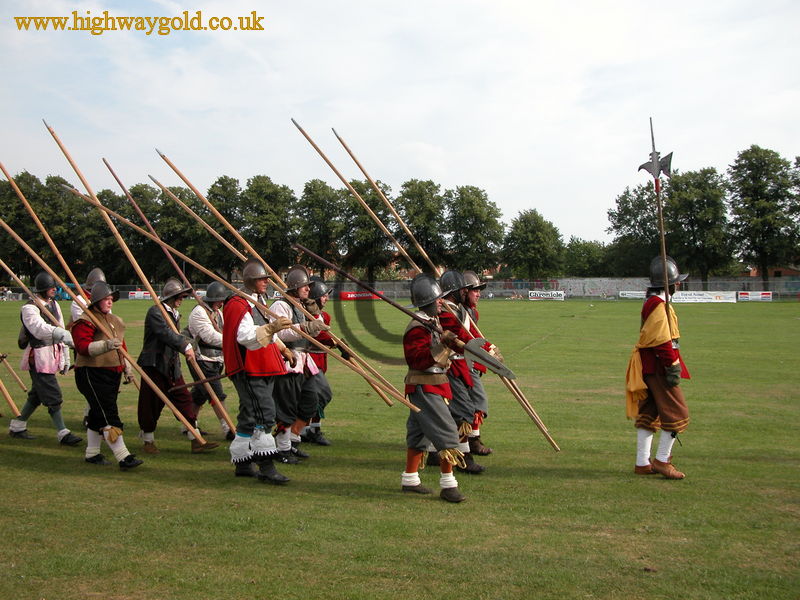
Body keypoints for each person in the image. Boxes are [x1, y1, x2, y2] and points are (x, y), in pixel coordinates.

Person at [223, 258, 295, 483]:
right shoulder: (238, 303)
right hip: (248, 368)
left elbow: (269, 336)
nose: (266, 282)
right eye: (262, 279)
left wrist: (283, 349)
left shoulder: (258, 301)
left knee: (248, 416)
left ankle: (242, 463)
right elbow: (244, 336)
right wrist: (272, 327)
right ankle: (266, 467)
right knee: (264, 413)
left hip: (262, 366)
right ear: (251, 281)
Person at [401, 274, 468, 503]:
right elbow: (417, 360)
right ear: (428, 302)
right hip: (424, 385)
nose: (441, 302)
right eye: (438, 299)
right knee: (448, 431)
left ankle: (410, 479)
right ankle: (448, 485)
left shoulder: (432, 322)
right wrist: (443, 345)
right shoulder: (417, 327)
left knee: (418, 434)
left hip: (433, 384)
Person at [136, 278, 219, 454]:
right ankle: (148, 441)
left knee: (184, 400)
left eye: (182, 296)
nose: (181, 300)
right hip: (155, 366)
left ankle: (196, 439)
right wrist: (184, 346)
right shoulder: (156, 312)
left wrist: (190, 344)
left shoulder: (172, 312)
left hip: (172, 366)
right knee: (151, 404)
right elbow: (165, 334)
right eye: (179, 297)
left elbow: (178, 336)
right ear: (170, 298)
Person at [625, 256, 690, 480]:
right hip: (659, 367)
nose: (679, 285)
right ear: (668, 284)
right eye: (676, 282)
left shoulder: (654, 302)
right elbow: (662, 340)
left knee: (649, 413)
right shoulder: (658, 306)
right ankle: (662, 461)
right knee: (676, 412)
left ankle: (642, 463)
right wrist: (672, 366)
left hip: (650, 367)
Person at [72, 281, 142, 471]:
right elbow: (82, 348)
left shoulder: (114, 320)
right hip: (91, 373)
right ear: (96, 301)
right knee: (108, 415)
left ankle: (92, 453)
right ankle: (123, 456)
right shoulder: (85, 320)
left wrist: (127, 367)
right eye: (106, 299)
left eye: (111, 299)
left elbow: (122, 347)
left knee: (97, 415)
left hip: (112, 373)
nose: (110, 302)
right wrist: (105, 345)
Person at [9, 272, 81, 445]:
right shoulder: (29, 308)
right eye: (51, 288)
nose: (54, 290)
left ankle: (17, 426)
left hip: (52, 354)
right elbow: (39, 330)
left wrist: (65, 357)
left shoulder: (54, 304)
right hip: (39, 357)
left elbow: (61, 328)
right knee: (52, 394)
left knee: (37, 394)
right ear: (43, 289)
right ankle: (63, 433)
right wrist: (60, 333)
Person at [270, 265, 329, 463]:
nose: (308, 289)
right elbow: (280, 333)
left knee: (312, 400)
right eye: (305, 286)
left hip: (304, 362)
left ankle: (293, 440)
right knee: (287, 408)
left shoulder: (302, 305)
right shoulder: (281, 306)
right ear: (295, 287)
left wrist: (314, 312)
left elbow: (319, 326)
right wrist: (303, 327)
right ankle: (283, 449)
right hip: (287, 361)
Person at [437, 269, 485, 474]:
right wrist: (481, 351)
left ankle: (433, 452)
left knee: (451, 413)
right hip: (450, 367)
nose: (468, 292)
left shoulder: (457, 310)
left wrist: (487, 350)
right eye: (464, 289)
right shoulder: (447, 312)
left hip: (459, 366)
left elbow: (470, 334)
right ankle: (463, 456)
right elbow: (460, 340)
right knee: (461, 412)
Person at [186, 281, 232, 440]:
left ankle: (188, 424)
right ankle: (228, 429)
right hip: (201, 359)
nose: (221, 303)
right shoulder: (199, 312)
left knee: (200, 394)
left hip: (216, 359)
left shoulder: (217, 312)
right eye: (219, 299)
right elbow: (209, 336)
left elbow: (223, 331)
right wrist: (231, 341)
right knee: (216, 394)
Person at [301, 277, 340, 446]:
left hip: (320, 360)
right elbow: (320, 335)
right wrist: (336, 343)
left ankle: (311, 429)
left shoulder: (325, 316)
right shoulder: (306, 314)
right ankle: (305, 430)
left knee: (318, 397)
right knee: (321, 395)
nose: (327, 298)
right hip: (309, 361)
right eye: (324, 296)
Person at [461, 270, 495, 456]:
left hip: (470, 361)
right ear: (464, 291)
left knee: (474, 402)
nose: (478, 293)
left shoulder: (472, 312)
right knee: (476, 401)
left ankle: (472, 439)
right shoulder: (457, 311)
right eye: (475, 290)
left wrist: (487, 350)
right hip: (459, 363)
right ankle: (472, 441)